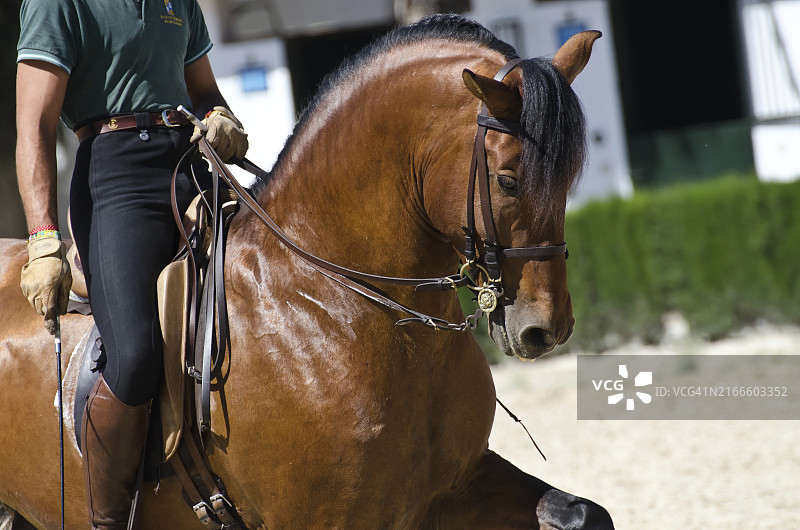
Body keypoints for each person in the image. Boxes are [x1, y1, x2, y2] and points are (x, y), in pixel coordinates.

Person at [15, 0, 248, 527]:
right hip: (115, 177)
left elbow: (204, 91)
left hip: (192, 164)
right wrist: (43, 238)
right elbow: (34, 124)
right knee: (137, 355)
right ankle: (109, 520)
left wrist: (221, 117)